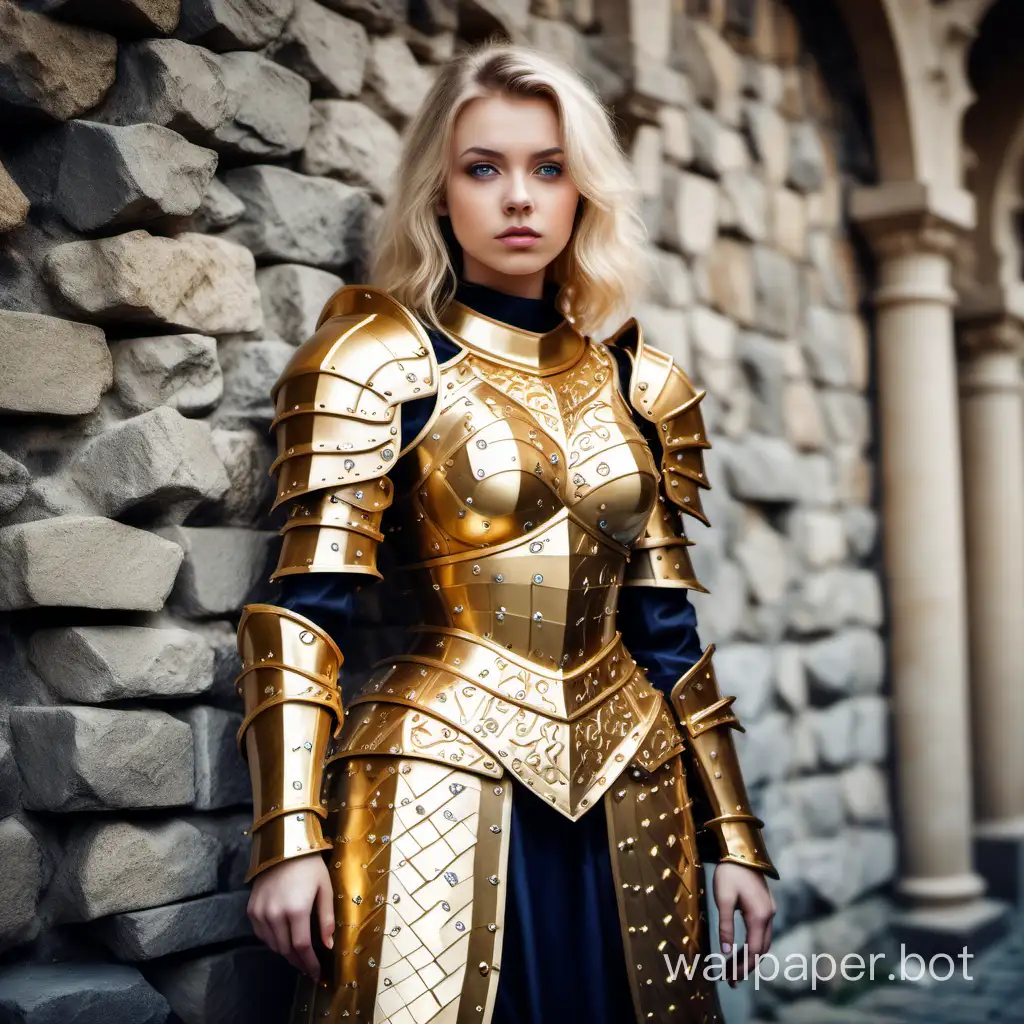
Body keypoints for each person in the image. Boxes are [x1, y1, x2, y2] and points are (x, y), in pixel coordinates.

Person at [235, 41, 777, 1024]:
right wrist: (288, 839)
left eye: (547, 167)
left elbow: (664, 633)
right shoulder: (377, 361)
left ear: (583, 193)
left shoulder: (638, 385)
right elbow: (302, 609)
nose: (517, 197)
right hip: (439, 770)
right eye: (482, 168)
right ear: (438, 193)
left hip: (631, 781)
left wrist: (732, 837)